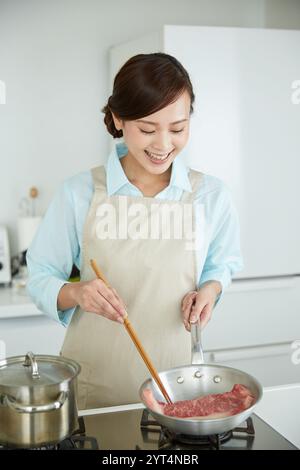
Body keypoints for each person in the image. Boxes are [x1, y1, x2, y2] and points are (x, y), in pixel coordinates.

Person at [27, 53, 243, 409]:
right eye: (146, 129)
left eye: (177, 128)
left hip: (178, 389)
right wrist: (77, 293)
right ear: (117, 119)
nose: (162, 145)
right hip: (96, 393)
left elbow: (222, 266)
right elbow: (39, 277)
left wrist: (210, 289)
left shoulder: (211, 195)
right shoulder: (79, 193)